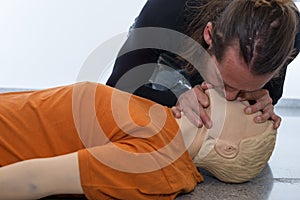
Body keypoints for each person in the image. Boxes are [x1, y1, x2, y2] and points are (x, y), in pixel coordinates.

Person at [0, 81, 276, 199]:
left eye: (247, 109)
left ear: (227, 149)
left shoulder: (155, 164)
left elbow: (36, 180)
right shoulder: (166, 118)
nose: (242, 96)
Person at [106, 0, 300, 129]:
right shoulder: (167, 13)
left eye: (242, 88)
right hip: (175, 36)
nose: (229, 97)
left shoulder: (288, 34)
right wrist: (174, 98)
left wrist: (263, 100)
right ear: (209, 34)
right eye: (225, 83)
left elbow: (271, 95)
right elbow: (118, 87)